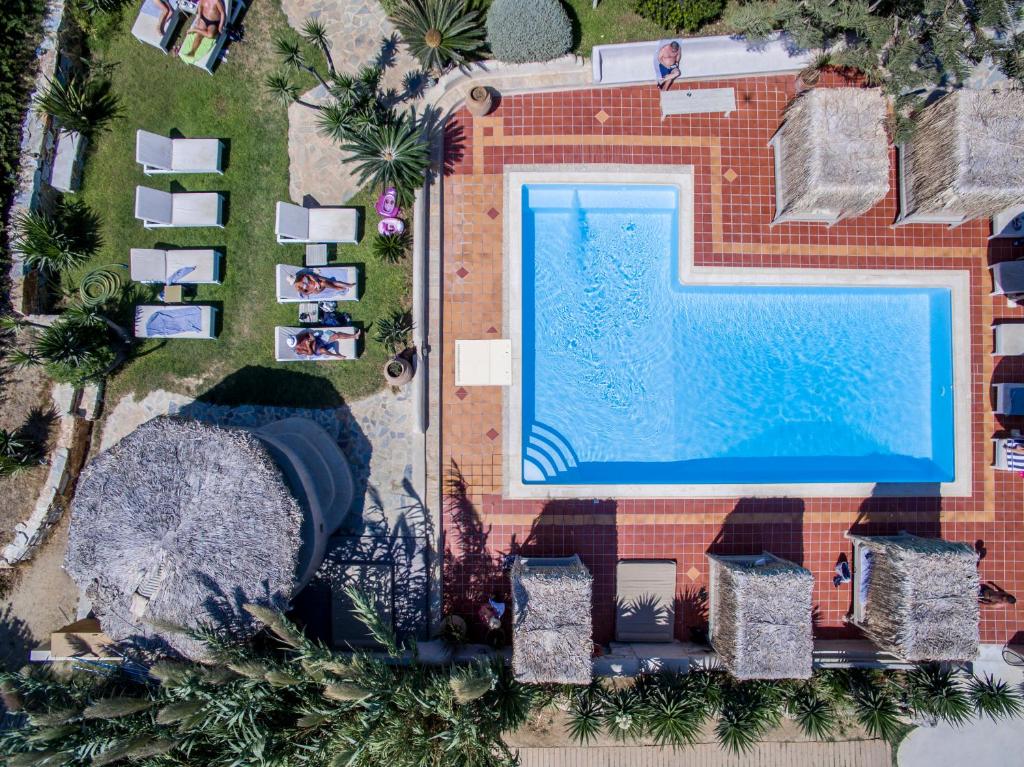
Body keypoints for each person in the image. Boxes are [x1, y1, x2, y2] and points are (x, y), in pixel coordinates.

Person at [288, 328, 360, 358]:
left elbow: (308, 333)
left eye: (296, 339)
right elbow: (310, 353)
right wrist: (308, 345)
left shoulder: (299, 336)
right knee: (323, 350)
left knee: (336, 335)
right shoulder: (298, 350)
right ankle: (336, 355)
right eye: (296, 341)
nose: (297, 340)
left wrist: (312, 337)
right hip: (315, 349)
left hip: (319, 340)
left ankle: (355, 336)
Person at [287, 270, 355, 299]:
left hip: (316, 280)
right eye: (294, 281)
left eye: (295, 279)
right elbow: (306, 293)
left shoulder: (300, 276)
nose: (296, 280)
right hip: (315, 289)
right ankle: (337, 288)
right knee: (324, 283)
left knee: (331, 281)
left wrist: (316, 281)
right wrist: (314, 289)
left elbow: (310, 276)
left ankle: (348, 285)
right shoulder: (297, 287)